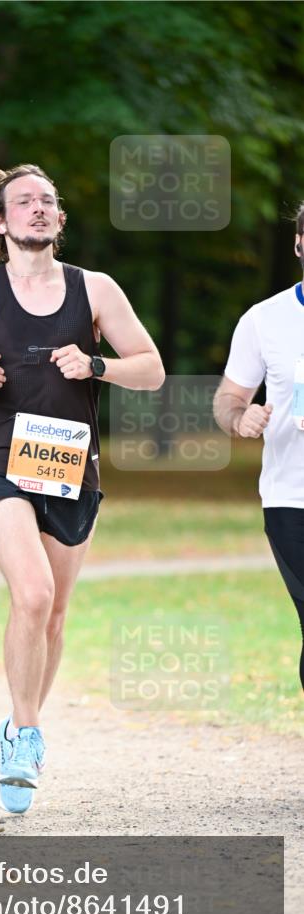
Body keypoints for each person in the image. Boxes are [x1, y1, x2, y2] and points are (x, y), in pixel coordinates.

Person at [0, 164, 165, 814]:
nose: (37, 209)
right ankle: (24, 735)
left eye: (47, 201)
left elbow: (151, 370)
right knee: (31, 592)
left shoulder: (95, 290)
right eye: (23, 201)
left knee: (53, 613)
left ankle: (18, 728)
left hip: (66, 465)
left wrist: (95, 365)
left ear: (58, 220)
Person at [214, 202, 304, 692]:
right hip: (292, 498)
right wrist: (242, 416)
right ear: (298, 244)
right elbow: (228, 400)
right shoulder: (264, 320)